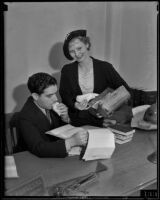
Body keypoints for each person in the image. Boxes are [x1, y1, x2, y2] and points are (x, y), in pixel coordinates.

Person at [59, 29, 133, 127]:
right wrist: (76, 105)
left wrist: (107, 107)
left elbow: (125, 90)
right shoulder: (67, 70)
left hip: (102, 120)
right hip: (78, 119)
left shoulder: (105, 67)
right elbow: (64, 94)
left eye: (79, 48)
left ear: (87, 45)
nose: (77, 54)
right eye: (72, 51)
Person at [17, 72, 88, 158]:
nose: (56, 99)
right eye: (50, 95)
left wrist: (65, 118)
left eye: (55, 93)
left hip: (54, 154)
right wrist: (71, 142)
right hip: (31, 159)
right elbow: (38, 148)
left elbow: (59, 130)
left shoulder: (48, 104)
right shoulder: (25, 116)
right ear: (35, 96)